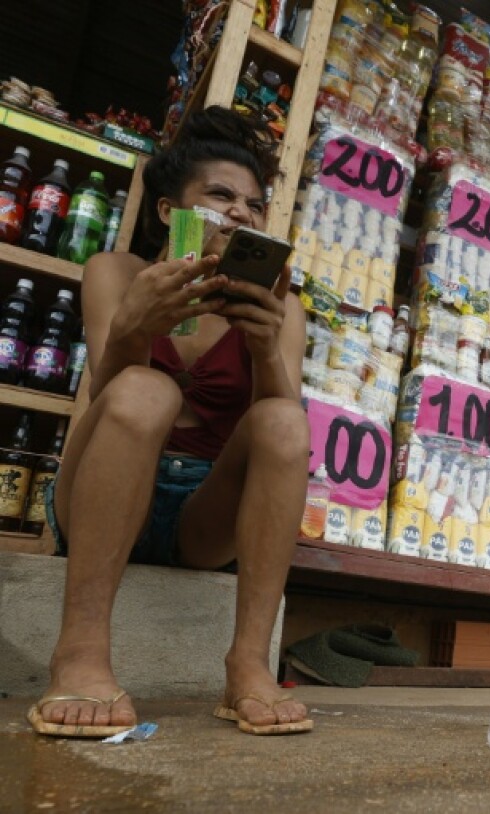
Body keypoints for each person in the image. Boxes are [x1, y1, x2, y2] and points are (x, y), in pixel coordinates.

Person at [27, 106, 313, 737]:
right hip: (104, 488)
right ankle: (78, 653)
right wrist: (137, 321)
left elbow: (277, 427)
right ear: (168, 212)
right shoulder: (116, 271)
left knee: (286, 421)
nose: (240, 212)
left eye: (254, 205)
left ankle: (247, 664)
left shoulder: (282, 309)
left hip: (204, 515)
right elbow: (109, 391)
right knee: (143, 390)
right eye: (219, 195)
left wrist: (264, 345)